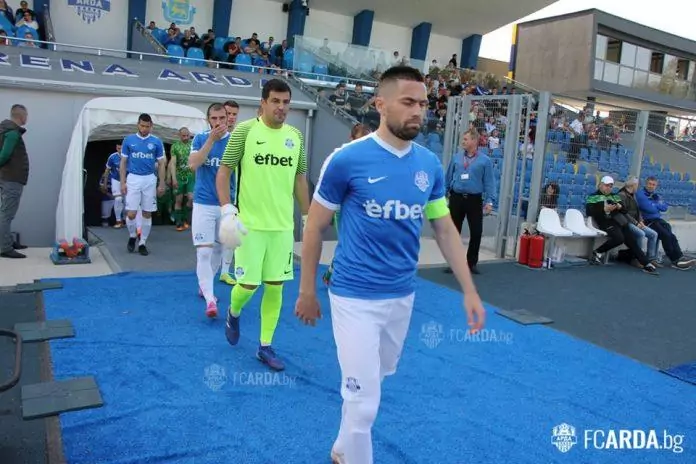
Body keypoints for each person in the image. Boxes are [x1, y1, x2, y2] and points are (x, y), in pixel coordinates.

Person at [294, 66, 486, 464]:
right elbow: (314, 225)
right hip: (353, 295)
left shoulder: (428, 165)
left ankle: (342, 448)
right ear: (380, 104)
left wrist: (469, 290)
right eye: (408, 102)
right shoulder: (347, 160)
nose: (418, 111)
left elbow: (444, 229)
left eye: (423, 104)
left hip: (401, 296)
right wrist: (307, 290)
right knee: (364, 403)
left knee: (373, 383)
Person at [216, 79, 310, 371]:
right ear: (263, 102)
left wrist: (307, 217)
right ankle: (233, 311)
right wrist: (227, 211)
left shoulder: (295, 136)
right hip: (250, 226)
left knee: (275, 286)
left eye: (286, 102)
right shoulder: (245, 131)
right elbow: (224, 172)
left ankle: (265, 346)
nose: (281, 107)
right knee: (248, 285)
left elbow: (299, 178)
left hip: (282, 228)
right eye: (276, 101)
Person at [189, 103, 236, 318]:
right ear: (208, 120)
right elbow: (193, 164)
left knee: (219, 249)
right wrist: (211, 140)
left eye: (221, 118)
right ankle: (210, 299)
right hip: (203, 203)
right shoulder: (200, 138)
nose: (218, 122)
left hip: (225, 205)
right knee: (204, 251)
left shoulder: (235, 142)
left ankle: (205, 284)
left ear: (228, 118)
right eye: (214, 118)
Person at [322, 123, 371, 286]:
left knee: (361, 242)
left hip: (363, 209)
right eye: (359, 140)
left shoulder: (372, 161)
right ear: (351, 138)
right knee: (347, 242)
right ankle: (333, 274)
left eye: (367, 140)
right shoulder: (340, 159)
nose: (363, 145)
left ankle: (340, 273)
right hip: (342, 209)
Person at [444, 128, 496, 274]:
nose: (463, 141)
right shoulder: (456, 158)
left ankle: (471, 263)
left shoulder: (485, 161)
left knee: (476, 231)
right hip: (456, 198)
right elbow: (448, 178)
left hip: (474, 200)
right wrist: (443, 195)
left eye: (466, 139)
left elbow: (489, 182)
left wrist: (490, 201)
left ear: (474, 141)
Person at [585, 176, 658, 274]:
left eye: (611, 186)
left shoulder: (614, 196)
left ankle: (646, 263)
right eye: (606, 185)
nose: (609, 188)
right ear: (600, 185)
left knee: (632, 241)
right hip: (605, 222)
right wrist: (604, 210)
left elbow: (624, 210)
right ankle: (597, 252)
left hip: (619, 222)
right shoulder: (593, 196)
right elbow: (589, 212)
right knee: (619, 238)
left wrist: (619, 207)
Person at [120, 113, 166, 256]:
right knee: (131, 213)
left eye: (147, 126)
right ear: (138, 124)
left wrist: (162, 183)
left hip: (149, 179)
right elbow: (123, 162)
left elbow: (161, 163)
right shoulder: (129, 140)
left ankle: (142, 242)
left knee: (147, 212)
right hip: (133, 178)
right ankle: (132, 235)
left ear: (151, 126)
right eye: (142, 125)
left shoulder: (156, 141)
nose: (144, 128)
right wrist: (122, 182)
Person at [636, 176, 695, 270]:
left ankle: (680, 257)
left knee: (672, 236)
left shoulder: (655, 195)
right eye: (649, 184)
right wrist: (656, 204)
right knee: (666, 235)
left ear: (656, 186)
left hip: (658, 220)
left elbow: (664, 207)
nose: (651, 186)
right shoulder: (640, 194)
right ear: (646, 184)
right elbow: (649, 209)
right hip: (647, 221)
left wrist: (654, 203)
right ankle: (675, 260)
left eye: (653, 185)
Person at [0, 104, 29, 259]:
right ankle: (4, 247)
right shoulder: (12, 133)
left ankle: (7, 241)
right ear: (21, 116)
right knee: (7, 214)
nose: (27, 118)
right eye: (26, 115)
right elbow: (4, 155)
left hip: (7, 178)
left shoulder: (6, 130)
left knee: (6, 212)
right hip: (11, 179)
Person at [218, 100, 241, 286]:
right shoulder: (211, 137)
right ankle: (207, 275)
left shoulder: (240, 138)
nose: (231, 117)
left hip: (234, 196)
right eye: (228, 113)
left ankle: (225, 271)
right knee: (211, 242)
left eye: (234, 114)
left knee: (232, 236)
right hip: (212, 197)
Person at [617, 177, 659, 266]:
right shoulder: (621, 195)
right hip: (626, 222)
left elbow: (638, 210)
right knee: (641, 234)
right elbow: (624, 213)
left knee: (653, 234)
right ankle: (636, 258)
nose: (638, 187)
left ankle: (651, 258)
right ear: (633, 185)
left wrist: (640, 220)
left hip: (636, 222)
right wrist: (636, 223)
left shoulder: (633, 195)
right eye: (637, 185)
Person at [169, 127, 194, 231]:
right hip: (179, 175)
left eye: (187, 135)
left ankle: (184, 217)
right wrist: (173, 178)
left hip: (191, 175)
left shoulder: (193, 145)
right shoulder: (175, 146)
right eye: (183, 136)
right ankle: (179, 222)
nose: (186, 138)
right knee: (178, 200)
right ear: (179, 136)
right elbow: (173, 163)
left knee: (191, 198)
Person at [103, 143, 124, 228]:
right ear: (116, 148)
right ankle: (118, 220)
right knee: (118, 199)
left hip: (128, 180)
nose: (120, 151)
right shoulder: (112, 157)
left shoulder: (130, 155)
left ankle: (127, 220)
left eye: (122, 148)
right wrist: (105, 183)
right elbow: (107, 170)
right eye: (118, 148)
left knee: (128, 201)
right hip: (116, 179)